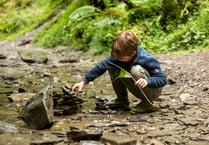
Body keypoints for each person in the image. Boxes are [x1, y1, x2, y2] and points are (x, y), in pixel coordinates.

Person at [69, 31, 167, 113]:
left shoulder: (146, 58)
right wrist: (84, 82)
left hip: (152, 89)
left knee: (135, 69)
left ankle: (147, 103)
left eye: (121, 57)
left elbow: (162, 80)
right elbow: (100, 68)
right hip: (137, 85)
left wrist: (148, 81)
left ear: (133, 53)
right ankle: (122, 100)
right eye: (117, 57)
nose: (118, 59)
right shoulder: (117, 58)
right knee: (113, 67)